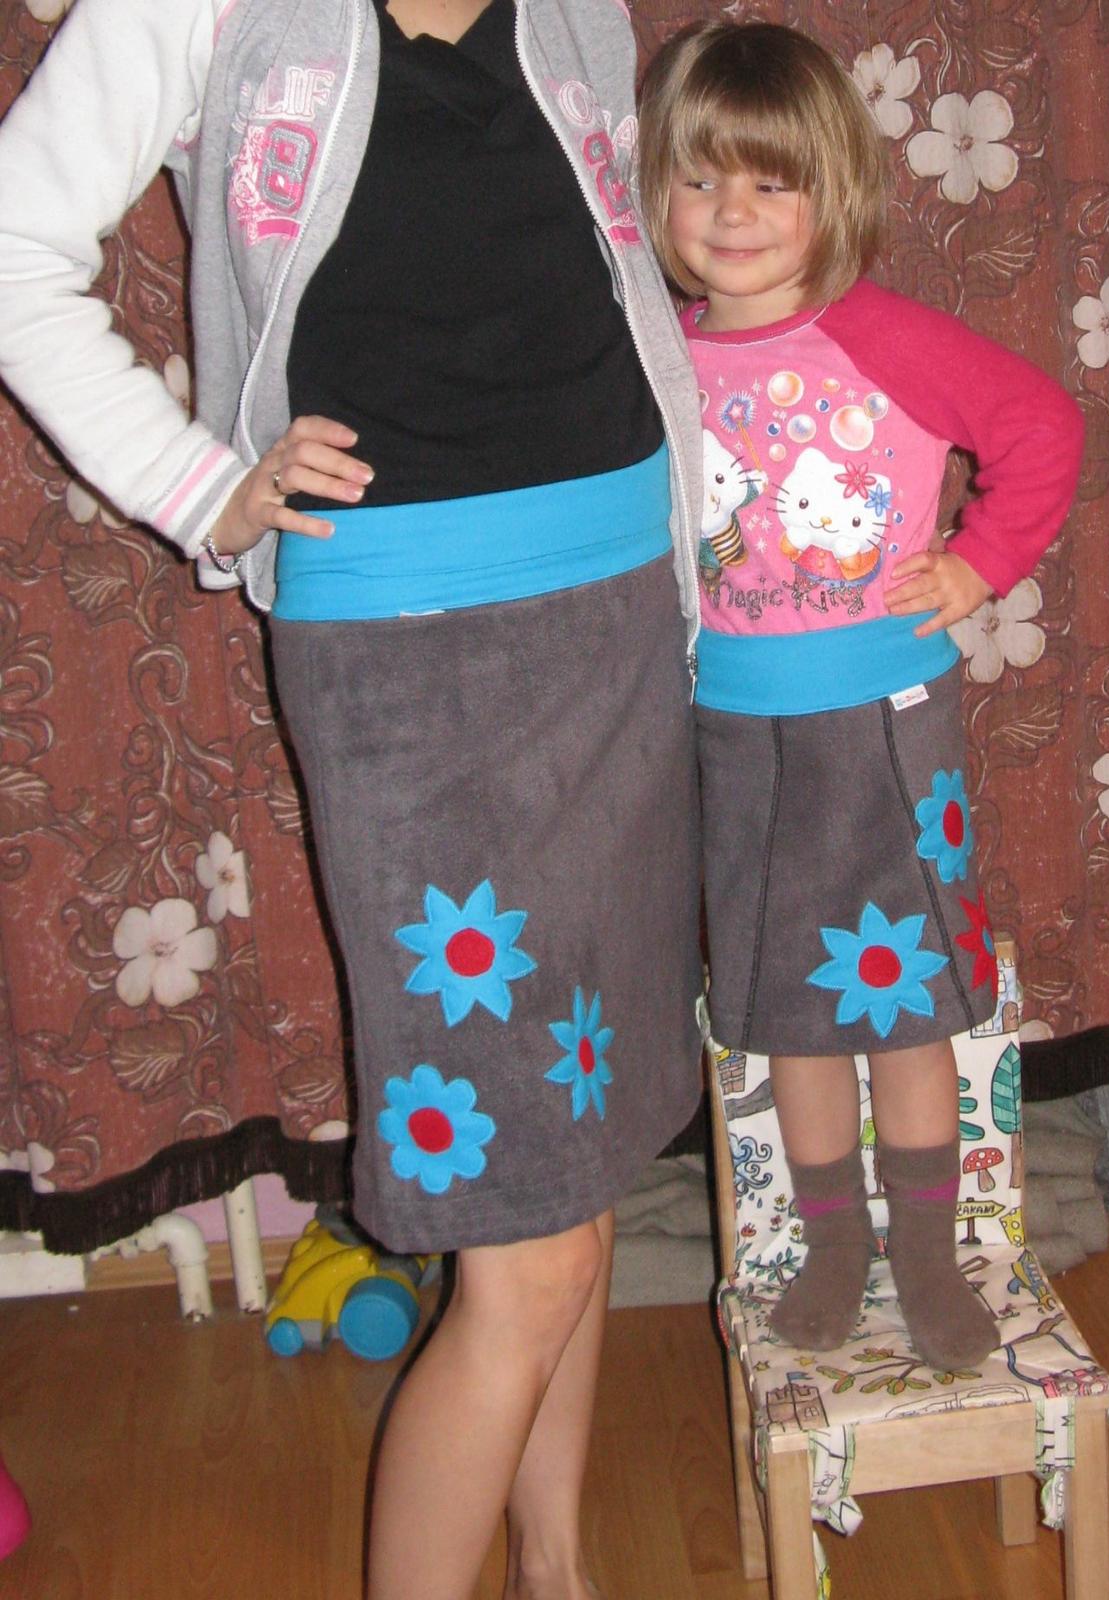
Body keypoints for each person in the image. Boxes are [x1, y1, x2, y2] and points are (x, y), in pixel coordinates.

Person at [0, 1, 707, 1594]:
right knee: (522, 1231)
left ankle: (556, 1568)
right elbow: (14, 246)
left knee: (582, 1153)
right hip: (403, 648)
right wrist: (199, 487)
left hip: (616, 607)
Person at [637, 20, 1083, 1371]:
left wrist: (977, 564)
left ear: (832, 192)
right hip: (729, 729)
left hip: (885, 726)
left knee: (902, 1003)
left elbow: (1040, 427)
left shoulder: (881, 334)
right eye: (701, 179)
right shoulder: (655, 353)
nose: (731, 213)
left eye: (769, 182)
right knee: (792, 1008)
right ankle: (834, 1246)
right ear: (659, 192)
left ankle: (927, 1251)